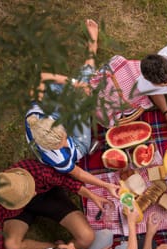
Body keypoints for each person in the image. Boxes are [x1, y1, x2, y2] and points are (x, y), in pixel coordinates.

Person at [25, 19, 119, 198]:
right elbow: (79, 174)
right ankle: (92, 47)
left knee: (75, 87)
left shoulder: (35, 115)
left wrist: (75, 85)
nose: (65, 137)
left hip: (56, 109)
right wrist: (106, 186)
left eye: (63, 134)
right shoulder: (59, 159)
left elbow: (41, 77)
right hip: (78, 144)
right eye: (62, 143)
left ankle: (84, 70)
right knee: (83, 97)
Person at [0, 158, 112, 249]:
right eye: (26, 197)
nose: (33, 193)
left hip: (47, 197)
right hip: (18, 213)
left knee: (86, 237)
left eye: (30, 190)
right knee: (12, 245)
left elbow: (67, 181)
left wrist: (92, 196)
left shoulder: (37, 171)